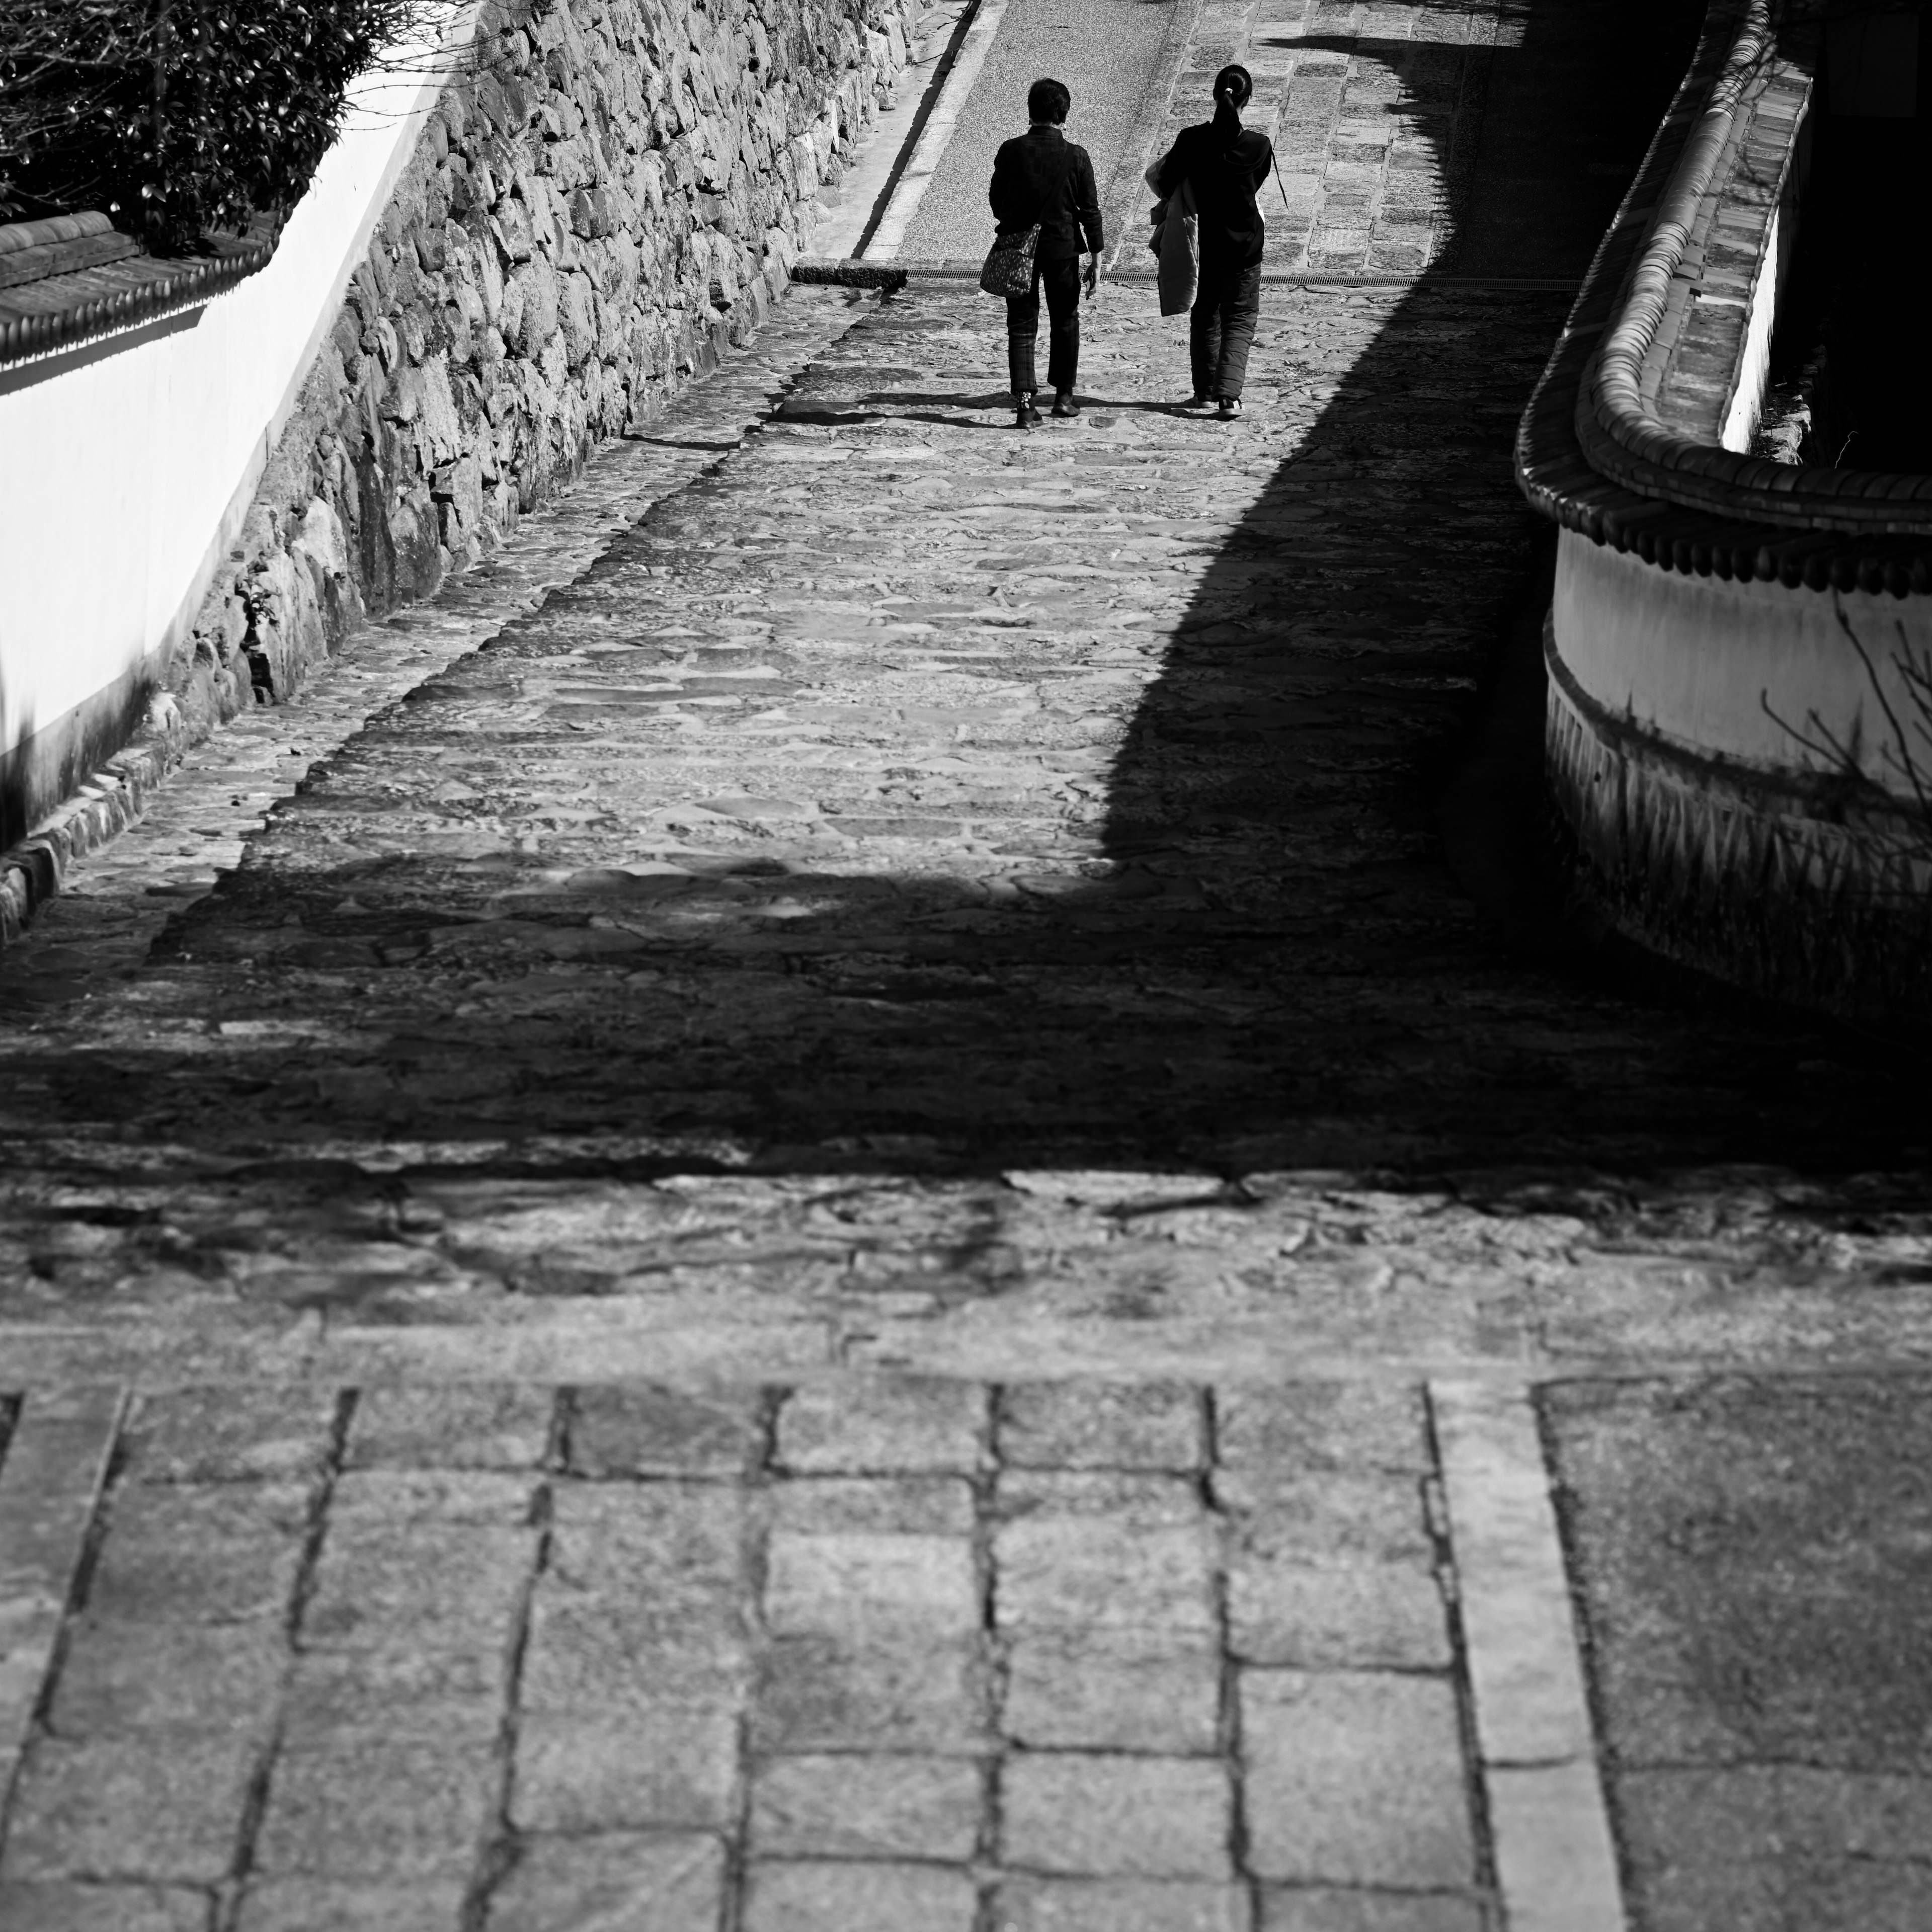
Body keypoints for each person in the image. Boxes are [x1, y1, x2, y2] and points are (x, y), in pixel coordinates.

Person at [1149, 65, 1274, 420]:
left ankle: (1204, 392)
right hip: (1245, 247)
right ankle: (1229, 397)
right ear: (1247, 100)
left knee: (1205, 315)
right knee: (1241, 318)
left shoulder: (1190, 140)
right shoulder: (1258, 147)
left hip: (1202, 246)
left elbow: (1166, 180)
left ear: (1215, 95)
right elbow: (1257, 184)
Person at [989, 77, 1103, 429]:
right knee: (1065, 319)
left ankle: (1025, 405)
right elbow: (1090, 212)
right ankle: (1064, 398)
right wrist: (1097, 256)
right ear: (1064, 114)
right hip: (1062, 250)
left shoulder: (1010, 150)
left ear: (1031, 111)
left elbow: (997, 201)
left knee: (1021, 324)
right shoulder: (1077, 157)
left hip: (1018, 250)